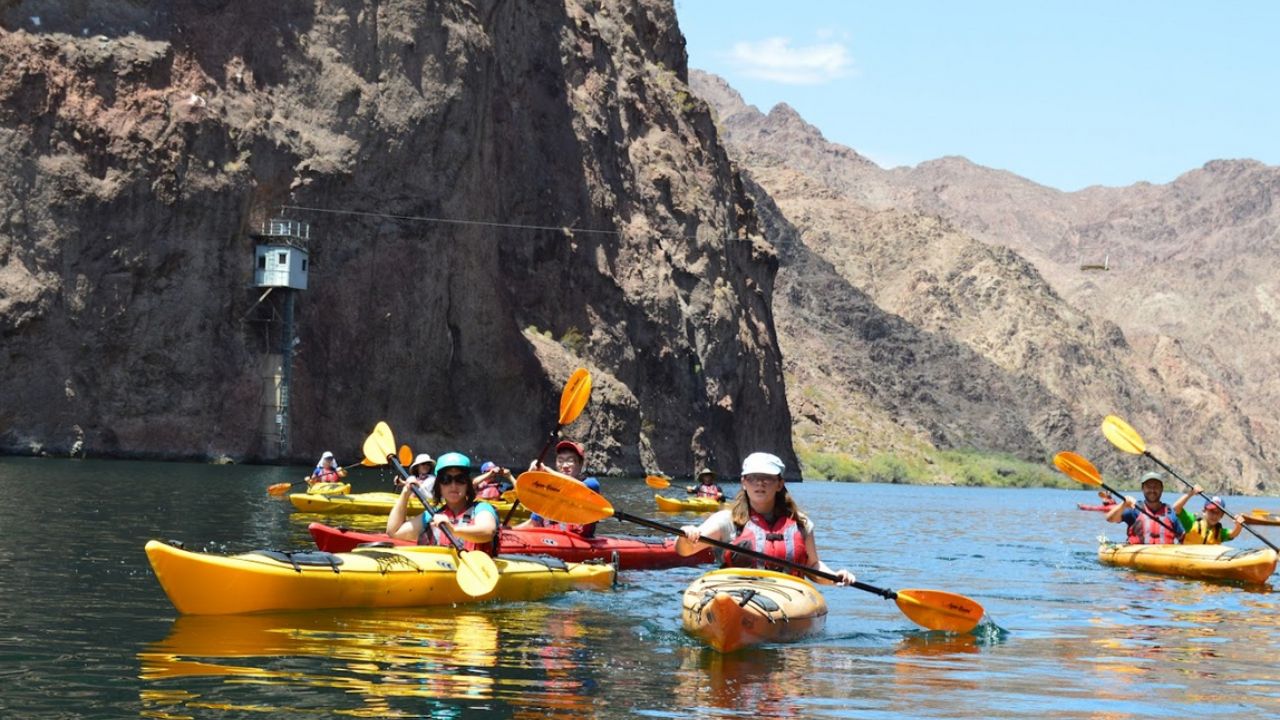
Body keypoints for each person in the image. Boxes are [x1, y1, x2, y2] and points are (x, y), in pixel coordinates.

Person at [675, 452, 855, 585]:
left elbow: (813, 566)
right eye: (753, 478)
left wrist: (834, 577)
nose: (760, 483)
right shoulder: (725, 521)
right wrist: (687, 535)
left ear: (779, 484)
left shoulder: (801, 523)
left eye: (767, 478)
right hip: (734, 594)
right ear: (744, 483)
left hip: (788, 597)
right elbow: (685, 550)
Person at [387, 452, 498, 555]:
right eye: (446, 479)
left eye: (460, 479)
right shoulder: (432, 515)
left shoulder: (481, 509)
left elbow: (488, 531)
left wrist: (453, 530)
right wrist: (405, 494)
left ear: (467, 484)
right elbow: (394, 532)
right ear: (439, 486)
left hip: (478, 572)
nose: (453, 486)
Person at [515, 440, 601, 537]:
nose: (564, 466)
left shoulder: (591, 484)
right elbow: (533, 523)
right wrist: (509, 532)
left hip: (581, 543)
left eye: (570, 460)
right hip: (550, 543)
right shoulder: (548, 491)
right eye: (560, 461)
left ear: (580, 464)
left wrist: (546, 471)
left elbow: (576, 487)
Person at [1104, 471, 1184, 544]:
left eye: (1156, 487)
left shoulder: (1170, 513)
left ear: (1161, 489)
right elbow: (1110, 518)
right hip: (1137, 557)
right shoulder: (1134, 510)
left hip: (1165, 556)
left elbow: (1182, 537)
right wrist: (1123, 504)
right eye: (1149, 487)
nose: (1152, 490)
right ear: (1143, 488)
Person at [1174, 485, 1245, 544]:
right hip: (1188, 557)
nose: (1214, 516)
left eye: (1218, 513)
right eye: (1211, 511)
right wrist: (1191, 493)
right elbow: (1176, 508)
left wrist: (1239, 526)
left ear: (1222, 516)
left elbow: (1233, 534)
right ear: (1204, 511)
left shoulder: (1219, 532)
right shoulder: (1191, 521)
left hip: (1207, 559)